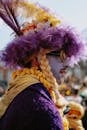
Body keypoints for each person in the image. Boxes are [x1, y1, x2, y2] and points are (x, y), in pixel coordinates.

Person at [0, 0, 87, 130]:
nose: (67, 64)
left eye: (68, 57)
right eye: (60, 55)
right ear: (37, 58)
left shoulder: (25, 88)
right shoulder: (42, 109)